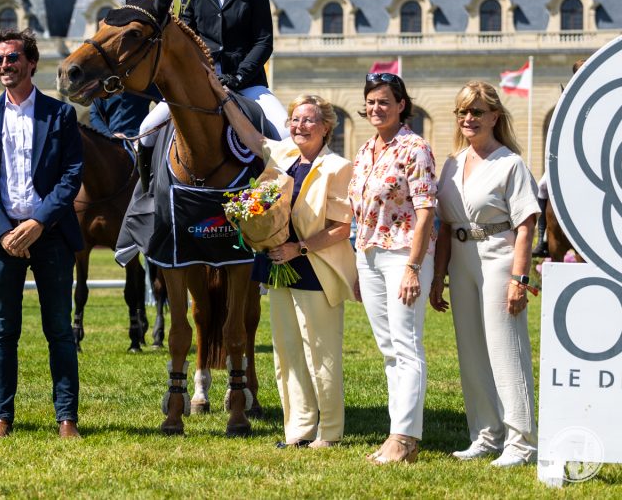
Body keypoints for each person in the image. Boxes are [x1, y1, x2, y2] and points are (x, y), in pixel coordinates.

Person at [209, 73, 357, 448]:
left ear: (325, 127)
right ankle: (298, 430)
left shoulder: (339, 167)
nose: (300, 126)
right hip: (276, 265)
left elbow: (342, 228)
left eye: (309, 120)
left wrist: (300, 248)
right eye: (295, 119)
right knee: (287, 353)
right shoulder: (282, 155)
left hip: (315, 267)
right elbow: (249, 135)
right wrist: (220, 94)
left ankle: (330, 432)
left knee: (319, 352)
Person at [0, 27, 84, 439]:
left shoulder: (61, 114)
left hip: (50, 234)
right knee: (3, 331)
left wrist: (38, 222)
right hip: (1, 242)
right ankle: (2, 417)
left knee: (58, 328)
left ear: (31, 62)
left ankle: (66, 418)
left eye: (12, 58)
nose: (4, 65)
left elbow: (72, 176)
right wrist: (3, 233)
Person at [430, 82, 540, 468]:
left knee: (505, 351)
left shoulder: (510, 163)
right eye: (463, 112)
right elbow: (444, 226)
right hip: (461, 260)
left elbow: (526, 225)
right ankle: (486, 434)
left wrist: (519, 279)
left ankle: (523, 442)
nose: (469, 119)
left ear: (495, 116)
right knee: (471, 351)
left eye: (477, 111)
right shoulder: (452, 164)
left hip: (499, 256)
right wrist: (438, 276)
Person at [138, 0, 288, 159]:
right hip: (200, 82)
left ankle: (285, 194)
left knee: (284, 133)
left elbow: (263, 42)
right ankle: (146, 194)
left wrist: (238, 76)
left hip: (247, 84)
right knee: (146, 129)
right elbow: (186, 39)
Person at [347, 72, 437, 464]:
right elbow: (360, 212)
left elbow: (426, 212)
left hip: (403, 255)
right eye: (371, 101)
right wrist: (357, 262)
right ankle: (396, 435)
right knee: (388, 349)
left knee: (406, 345)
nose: (376, 108)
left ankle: (405, 439)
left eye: (384, 101)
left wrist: (414, 268)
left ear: (402, 105)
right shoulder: (365, 149)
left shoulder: (415, 148)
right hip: (368, 255)